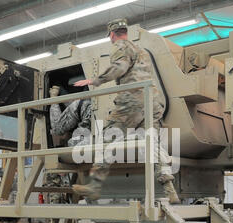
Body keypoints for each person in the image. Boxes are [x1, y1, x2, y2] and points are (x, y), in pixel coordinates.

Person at [72, 18, 180, 204]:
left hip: (132, 101)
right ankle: (169, 189)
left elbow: (120, 67)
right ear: (125, 31)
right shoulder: (140, 50)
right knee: (153, 143)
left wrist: (94, 80)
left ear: (112, 34)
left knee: (106, 138)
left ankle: (95, 186)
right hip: (152, 102)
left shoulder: (120, 46)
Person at [49, 83, 92, 147]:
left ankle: (58, 89)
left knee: (77, 106)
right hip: (84, 107)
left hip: (86, 103)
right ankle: (54, 96)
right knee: (57, 129)